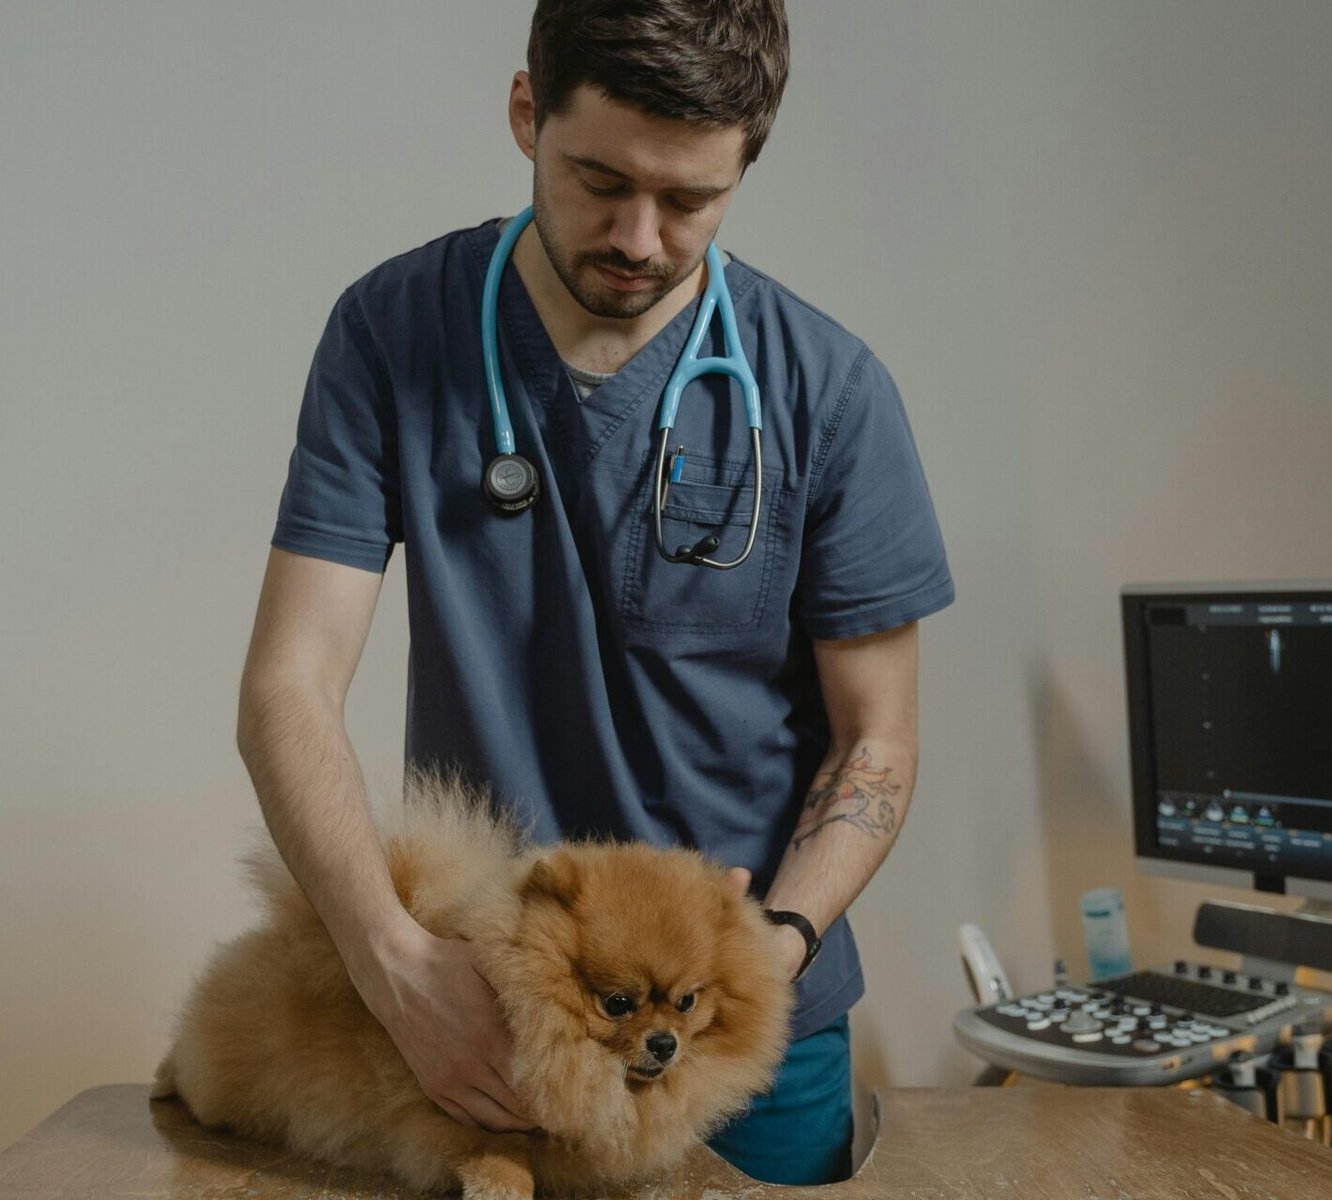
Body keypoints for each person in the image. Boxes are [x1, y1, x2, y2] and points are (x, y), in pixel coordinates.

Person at [237, 0, 952, 1186]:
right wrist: (392, 962)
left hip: (740, 1030)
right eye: (599, 180)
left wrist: (776, 946)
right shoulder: (391, 335)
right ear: (528, 112)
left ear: (744, 165)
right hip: (491, 1009)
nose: (638, 235)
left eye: (690, 201)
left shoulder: (828, 392)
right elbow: (289, 684)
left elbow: (875, 738)